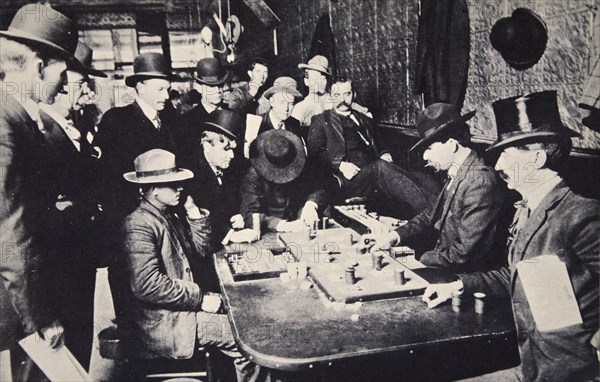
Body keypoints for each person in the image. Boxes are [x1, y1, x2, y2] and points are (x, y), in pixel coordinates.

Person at [423, 91, 599, 381]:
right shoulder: (530, 210)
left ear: (538, 158)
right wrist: (458, 284)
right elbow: (515, 275)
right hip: (532, 367)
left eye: (508, 154)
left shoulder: (581, 215)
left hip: (570, 373)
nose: (500, 165)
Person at [110, 149, 263, 381]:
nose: (180, 187)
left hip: (181, 312)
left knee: (246, 315)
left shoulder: (168, 214)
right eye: (172, 184)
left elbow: (203, 248)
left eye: (179, 182)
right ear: (153, 190)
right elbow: (147, 285)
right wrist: (201, 299)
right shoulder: (138, 225)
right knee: (248, 338)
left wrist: (193, 212)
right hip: (166, 323)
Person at [0, 4, 78, 379]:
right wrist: (40, 316)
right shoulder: (5, 120)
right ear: (38, 66)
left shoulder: (17, 113)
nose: (64, 84)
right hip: (25, 301)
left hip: (35, 287)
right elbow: (9, 228)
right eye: (61, 73)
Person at [363, 103, 508, 273]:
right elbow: (431, 214)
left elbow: (464, 253)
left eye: (429, 148)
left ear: (452, 144)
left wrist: (417, 261)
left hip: (463, 277)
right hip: (446, 264)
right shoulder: (459, 171)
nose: (425, 156)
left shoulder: (480, 182)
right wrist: (394, 237)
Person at [39, 41, 107, 370]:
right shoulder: (43, 133)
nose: (85, 94)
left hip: (79, 254)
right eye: (81, 85)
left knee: (79, 339)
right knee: (59, 352)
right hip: (61, 261)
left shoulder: (71, 129)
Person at [308, 77, 440, 219]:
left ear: (354, 94)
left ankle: (443, 206)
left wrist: (385, 153)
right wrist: (339, 164)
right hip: (347, 179)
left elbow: (380, 144)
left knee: (424, 177)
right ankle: (436, 215)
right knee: (379, 168)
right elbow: (315, 154)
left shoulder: (364, 119)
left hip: (374, 172)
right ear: (330, 97)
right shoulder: (322, 120)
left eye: (347, 94)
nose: (342, 99)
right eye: (337, 95)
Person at [94, 52, 176, 224]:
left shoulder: (170, 118)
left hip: (165, 214)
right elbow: (107, 176)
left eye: (168, 89)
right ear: (140, 87)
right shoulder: (117, 119)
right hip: (130, 216)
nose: (167, 96)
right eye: (160, 89)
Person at [240, 130, 327, 235]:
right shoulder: (253, 174)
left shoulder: (299, 164)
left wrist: (311, 205)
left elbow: (319, 188)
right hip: (271, 231)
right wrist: (282, 225)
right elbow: (249, 214)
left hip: (300, 225)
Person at [172, 57, 228, 162]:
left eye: (220, 85)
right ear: (198, 87)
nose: (217, 91)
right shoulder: (186, 122)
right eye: (211, 87)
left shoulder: (232, 115)